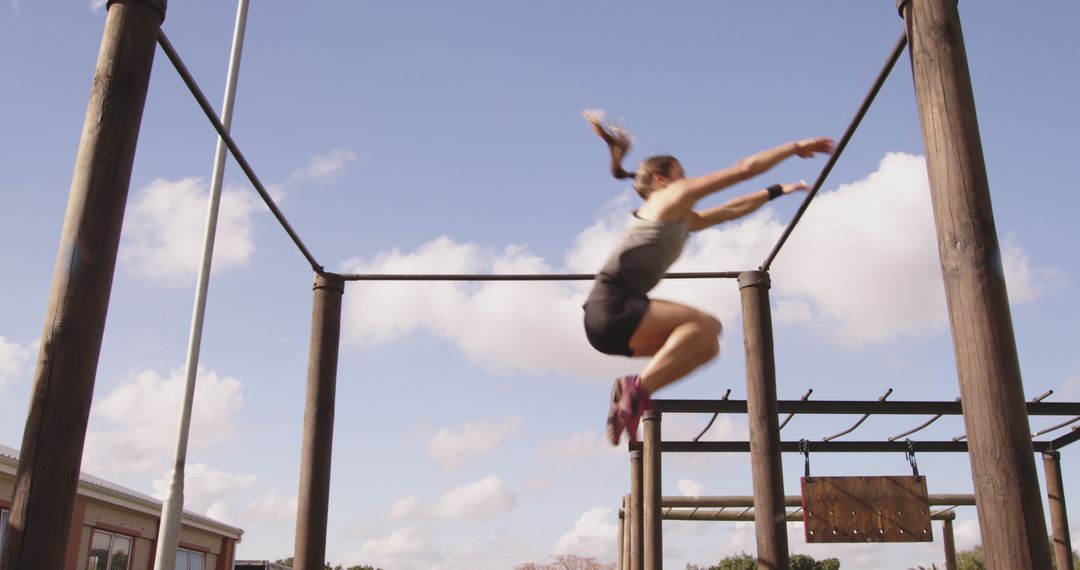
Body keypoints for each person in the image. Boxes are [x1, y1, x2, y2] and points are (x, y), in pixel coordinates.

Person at [581, 110, 834, 445]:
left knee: (706, 347)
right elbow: (743, 170)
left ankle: (635, 394)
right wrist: (794, 147)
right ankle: (636, 389)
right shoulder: (670, 199)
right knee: (708, 326)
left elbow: (731, 209)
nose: (687, 179)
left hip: (609, 328)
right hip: (613, 306)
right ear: (661, 179)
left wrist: (775, 191)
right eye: (681, 174)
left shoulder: (679, 217)